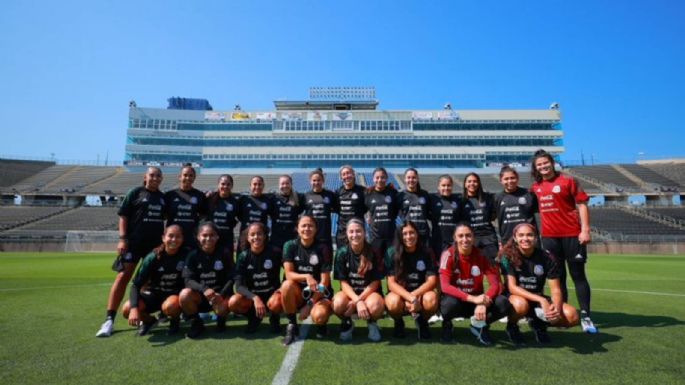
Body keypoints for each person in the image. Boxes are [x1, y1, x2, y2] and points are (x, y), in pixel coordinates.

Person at [530, 149, 597, 333]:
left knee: (578, 275)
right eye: (539, 165)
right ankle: (564, 311)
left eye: (545, 163)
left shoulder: (568, 181)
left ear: (552, 163)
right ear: (536, 168)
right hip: (550, 238)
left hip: (572, 236)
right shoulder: (535, 187)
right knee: (557, 278)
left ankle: (586, 315)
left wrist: (585, 229)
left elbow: (582, 204)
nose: (543, 166)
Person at [96, 166, 166, 337]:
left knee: (147, 282)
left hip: (154, 246)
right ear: (145, 177)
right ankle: (109, 320)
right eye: (152, 175)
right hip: (133, 244)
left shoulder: (163, 198)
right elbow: (123, 216)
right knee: (122, 277)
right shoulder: (135, 193)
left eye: (158, 175)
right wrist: (122, 238)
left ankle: (144, 316)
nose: (155, 178)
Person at [498, 223, 579, 345]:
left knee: (572, 316)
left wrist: (556, 311)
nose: (525, 239)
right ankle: (512, 326)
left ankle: (538, 324)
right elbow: (512, 287)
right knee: (521, 305)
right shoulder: (507, 256)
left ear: (536, 237)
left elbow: (556, 290)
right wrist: (542, 300)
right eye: (521, 235)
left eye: (530, 235)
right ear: (515, 238)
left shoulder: (547, 257)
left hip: (537, 298)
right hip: (515, 299)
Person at [439, 223, 511, 345]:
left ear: (473, 237)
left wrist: (483, 301)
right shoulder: (448, 255)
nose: (464, 239)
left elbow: (495, 284)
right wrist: (472, 299)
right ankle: (447, 324)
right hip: (458, 300)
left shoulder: (483, 255)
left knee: (503, 303)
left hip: (477, 301)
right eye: (460, 236)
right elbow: (445, 286)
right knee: (447, 305)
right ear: (455, 238)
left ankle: (480, 325)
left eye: (468, 235)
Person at [122, 225, 186, 336]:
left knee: (170, 306)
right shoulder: (152, 257)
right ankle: (149, 321)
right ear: (163, 238)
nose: (174, 240)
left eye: (178, 237)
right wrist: (134, 308)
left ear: (182, 239)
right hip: (154, 296)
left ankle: (175, 321)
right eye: (170, 236)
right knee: (127, 309)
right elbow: (136, 285)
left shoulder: (186, 256)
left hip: (174, 296)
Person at [280, 215, 334, 346]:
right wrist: (307, 276)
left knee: (319, 316)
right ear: (297, 229)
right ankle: (292, 324)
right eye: (303, 225)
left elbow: (324, 282)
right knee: (286, 285)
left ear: (316, 229)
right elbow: (288, 274)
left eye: (310, 225)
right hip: (298, 293)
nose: (307, 228)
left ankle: (322, 324)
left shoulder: (323, 248)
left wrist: (309, 304)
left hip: (319, 293)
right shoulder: (290, 245)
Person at [332, 219, 385, 342]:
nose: (355, 235)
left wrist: (359, 300)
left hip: (369, 294)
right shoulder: (341, 253)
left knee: (376, 305)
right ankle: (348, 322)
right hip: (349, 294)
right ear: (346, 233)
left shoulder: (374, 252)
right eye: (351, 232)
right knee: (337, 303)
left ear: (364, 232)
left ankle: (372, 323)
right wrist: (357, 301)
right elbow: (343, 283)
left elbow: (375, 282)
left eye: (358, 231)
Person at [180, 222, 235, 338]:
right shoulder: (192, 255)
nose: (208, 238)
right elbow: (187, 280)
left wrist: (222, 294)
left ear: (217, 237)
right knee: (184, 295)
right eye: (204, 235)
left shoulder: (224, 253)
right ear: (198, 237)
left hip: (219, 296)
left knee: (228, 305)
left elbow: (231, 277)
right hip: (201, 296)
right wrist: (204, 289)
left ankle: (221, 319)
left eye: (212, 235)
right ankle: (197, 323)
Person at [385, 221, 438, 340]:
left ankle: (422, 321)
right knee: (392, 303)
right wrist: (410, 298)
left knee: (432, 300)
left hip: (420, 294)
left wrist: (414, 296)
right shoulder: (391, 253)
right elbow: (391, 283)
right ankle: (398, 322)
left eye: (412, 233)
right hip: (399, 294)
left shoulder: (427, 252)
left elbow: (432, 281)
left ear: (417, 234)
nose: (409, 237)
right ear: (400, 236)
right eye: (405, 234)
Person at [229, 222, 283, 334]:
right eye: (252, 234)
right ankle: (253, 318)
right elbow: (238, 286)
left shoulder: (275, 252)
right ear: (247, 238)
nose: (256, 237)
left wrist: (280, 289)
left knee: (278, 300)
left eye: (259, 234)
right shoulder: (243, 256)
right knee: (234, 302)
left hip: (272, 295)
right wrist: (254, 298)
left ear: (265, 236)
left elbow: (289, 271)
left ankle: (274, 318)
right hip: (252, 297)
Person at [165, 164, 207, 249]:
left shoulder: (200, 195)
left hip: (191, 238)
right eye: (185, 175)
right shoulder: (170, 195)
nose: (188, 178)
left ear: (194, 178)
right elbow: (164, 215)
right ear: (180, 176)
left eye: (191, 175)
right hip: (173, 237)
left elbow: (204, 215)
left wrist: (198, 229)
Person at [461, 173, 499, 264]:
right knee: (472, 268)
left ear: (479, 183)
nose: (472, 183)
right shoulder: (461, 200)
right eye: (469, 181)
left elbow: (494, 214)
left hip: (488, 236)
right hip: (471, 238)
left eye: (475, 181)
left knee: (493, 267)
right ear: (465, 184)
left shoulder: (488, 198)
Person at [494, 166, 538, 244]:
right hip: (508, 240)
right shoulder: (497, 198)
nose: (510, 181)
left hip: (528, 238)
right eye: (506, 179)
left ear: (517, 178)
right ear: (501, 180)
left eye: (512, 178)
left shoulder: (529, 194)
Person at [301, 168, 339, 257]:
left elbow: (338, 209)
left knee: (326, 263)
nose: (316, 182)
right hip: (310, 236)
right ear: (310, 181)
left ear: (323, 181)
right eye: (314, 180)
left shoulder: (330, 195)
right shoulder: (306, 196)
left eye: (319, 180)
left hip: (325, 236)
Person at [364, 167, 398, 258]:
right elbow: (363, 209)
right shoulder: (368, 194)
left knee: (391, 264)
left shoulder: (393, 193)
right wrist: (368, 217)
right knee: (377, 265)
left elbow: (396, 211)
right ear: (373, 179)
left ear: (386, 178)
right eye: (377, 177)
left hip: (391, 237)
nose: (380, 180)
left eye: (382, 177)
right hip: (375, 237)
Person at [206, 174, 240, 264]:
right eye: (223, 184)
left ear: (232, 186)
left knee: (227, 264)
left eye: (228, 184)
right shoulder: (209, 199)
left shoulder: (235, 202)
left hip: (227, 239)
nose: (225, 186)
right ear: (218, 184)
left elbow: (238, 218)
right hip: (211, 239)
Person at [428, 174, 462, 259]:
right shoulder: (432, 198)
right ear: (438, 187)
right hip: (438, 241)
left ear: (452, 186)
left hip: (454, 241)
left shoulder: (458, 199)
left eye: (448, 185)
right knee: (440, 267)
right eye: (443, 185)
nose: (446, 188)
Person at [335, 165, 367, 249]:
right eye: (344, 174)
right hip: (342, 232)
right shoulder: (338, 192)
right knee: (342, 257)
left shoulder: (363, 191)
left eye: (348, 173)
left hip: (357, 232)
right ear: (341, 177)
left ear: (353, 174)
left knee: (359, 258)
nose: (346, 176)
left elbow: (366, 207)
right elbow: (337, 209)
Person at [269, 175, 302, 257]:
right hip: (276, 241)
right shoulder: (273, 198)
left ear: (291, 184)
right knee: (274, 267)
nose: (285, 186)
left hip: (292, 239)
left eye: (287, 183)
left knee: (292, 266)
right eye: (282, 183)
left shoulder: (299, 198)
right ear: (279, 185)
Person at [396, 168, 431, 242]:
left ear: (417, 179)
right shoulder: (400, 196)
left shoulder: (425, 194)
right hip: (408, 234)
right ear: (405, 179)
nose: (411, 180)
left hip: (423, 234)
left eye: (413, 177)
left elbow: (428, 212)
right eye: (408, 177)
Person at [237, 175, 271, 251]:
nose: (257, 187)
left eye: (259, 184)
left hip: (260, 237)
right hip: (245, 237)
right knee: (243, 259)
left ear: (263, 186)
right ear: (250, 186)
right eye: (255, 184)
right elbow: (238, 216)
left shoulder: (268, 200)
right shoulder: (243, 199)